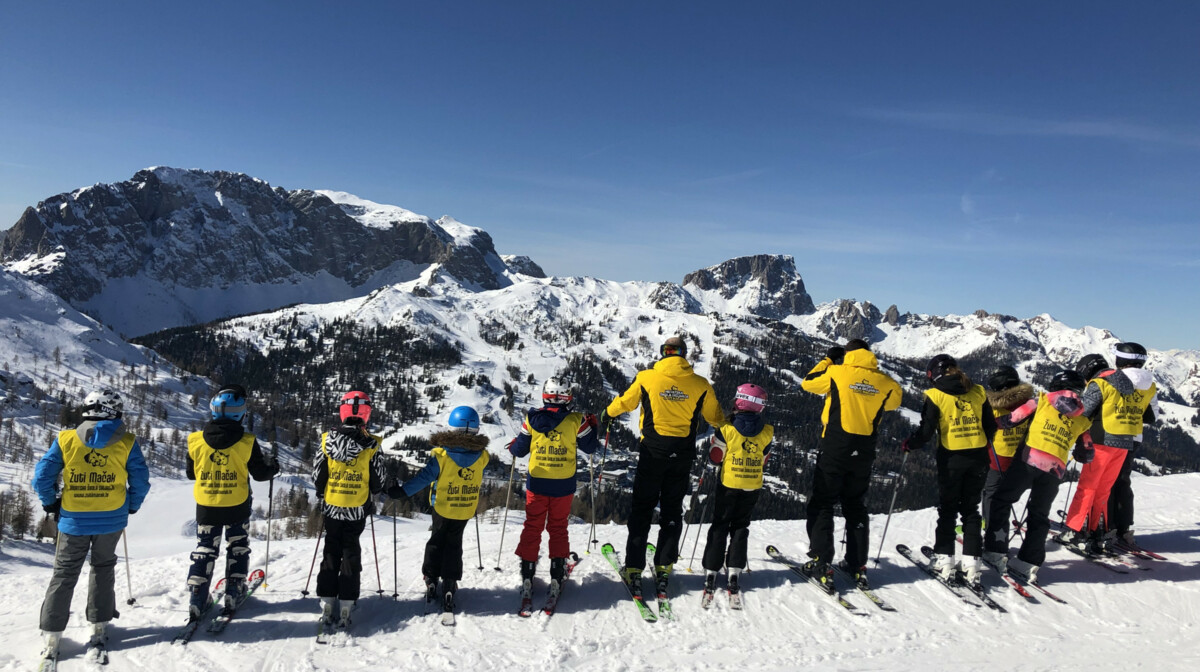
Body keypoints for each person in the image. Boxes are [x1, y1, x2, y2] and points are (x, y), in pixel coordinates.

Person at [603, 335, 726, 599]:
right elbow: (714, 417)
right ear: (683, 355)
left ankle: (634, 567)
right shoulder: (700, 384)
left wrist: (607, 414)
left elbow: (625, 402)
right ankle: (664, 566)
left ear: (664, 353)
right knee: (671, 512)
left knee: (642, 510)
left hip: (652, 453)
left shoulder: (647, 378)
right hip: (681, 455)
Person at [32, 389, 150, 661]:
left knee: (64, 573)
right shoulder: (127, 441)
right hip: (112, 519)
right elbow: (140, 480)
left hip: (73, 520)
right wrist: (131, 505)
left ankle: (52, 635)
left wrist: (51, 503)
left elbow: (42, 477)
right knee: (103, 568)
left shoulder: (66, 439)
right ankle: (99, 627)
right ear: (115, 412)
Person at [800, 339, 902, 590]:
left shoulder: (836, 372)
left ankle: (821, 562)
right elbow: (893, 404)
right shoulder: (888, 383)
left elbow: (808, 382)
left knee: (823, 502)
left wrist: (828, 360)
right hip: (864, 450)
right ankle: (857, 564)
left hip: (835, 446)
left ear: (848, 354)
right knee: (855, 504)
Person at [983, 370, 1093, 582]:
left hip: (1029, 460)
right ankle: (1029, 562)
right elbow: (1086, 453)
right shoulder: (1083, 420)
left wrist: (989, 424)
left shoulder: (1041, 401)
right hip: (1055, 471)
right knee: (1039, 515)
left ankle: (995, 550)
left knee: (1001, 500)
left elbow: (1012, 420)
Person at [901, 354, 997, 589]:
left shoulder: (936, 395)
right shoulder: (978, 391)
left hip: (952, 459)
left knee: (948, 510)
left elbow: (926, 431)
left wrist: (910, 444)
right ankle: (972, 565)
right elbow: (991, 427)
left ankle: (944, 561)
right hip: (978, 458)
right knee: (971, 511)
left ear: (934, 374)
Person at [185, 385, 279, 620]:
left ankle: (198, 594)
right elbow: (259, 473)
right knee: (237, 545)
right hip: (237, 503)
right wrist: (273, 468)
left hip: (207, 504)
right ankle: (234, 590)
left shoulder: (195, 440)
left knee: (205, 547)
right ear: (241, 414)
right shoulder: (246, 441)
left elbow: (191, 474)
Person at [506, 378, 600, 602]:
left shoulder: (531, 419)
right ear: (568, 397)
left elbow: (519, 451)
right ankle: (557, 576)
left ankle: (527, 576)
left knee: (533, 527)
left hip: (537, 484)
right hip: (563, 484)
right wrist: (593, 426)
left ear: (545, 395)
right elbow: (591, 447)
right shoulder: (576, 421)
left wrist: (514, 443)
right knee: (558, 528)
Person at [388, 406, 490, 613]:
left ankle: (432, 578)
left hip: (443, 507)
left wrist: (402, 491)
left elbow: (425, 477)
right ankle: (450, 582)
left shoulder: (442, 455)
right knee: (454, 543)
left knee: (436, 540)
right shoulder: (482, 456)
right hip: (466, 508)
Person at [1060, 343, 1159, 552]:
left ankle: (1074, 530)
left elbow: (1082, 411)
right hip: (1126, 441)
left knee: (1087, 487)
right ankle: (1097, 531)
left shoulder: (1102, 383)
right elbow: (1149, 415)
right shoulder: (1147, 386)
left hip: (1101, 439)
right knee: (1104, 489)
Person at [313, 391, 386, 628]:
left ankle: (327, 598)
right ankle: (347, 599)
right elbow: (378, 483)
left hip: (332, 507)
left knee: (331, 549)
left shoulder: (327, 441)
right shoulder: (372, 445)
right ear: (366, 415)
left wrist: (323, 491)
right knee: (350, 550)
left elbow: (317, 477)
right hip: (356, 509)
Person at [700, 383, 773, 598]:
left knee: (720, 524)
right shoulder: (767, 431)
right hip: (752, 484)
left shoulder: (727, 429)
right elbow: (763, 460)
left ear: (738, 402)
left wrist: (715, 443)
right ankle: (735, 568)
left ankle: (712, 568)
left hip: (729, 483)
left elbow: (715, 458)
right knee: (741, 525)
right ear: (760, 407)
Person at [981, 366, 1035, 525]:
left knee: (990, 492)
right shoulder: (1029, 404)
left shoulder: (993, 406)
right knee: (1007, 493)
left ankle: (988, 526)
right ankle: (998, 523)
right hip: (1021, 458)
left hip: (997, 458)